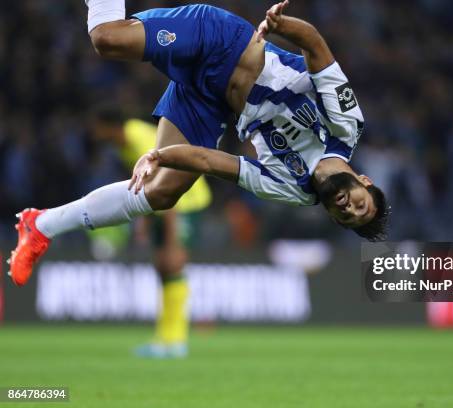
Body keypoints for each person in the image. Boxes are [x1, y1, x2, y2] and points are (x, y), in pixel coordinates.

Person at [8, 1, 389, 287]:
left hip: (209, 103)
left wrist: (157, 156)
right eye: (360, 205)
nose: (349, 208)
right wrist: (280, 24)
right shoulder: (346, 126)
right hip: (222, 41)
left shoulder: (294, 189)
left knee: (162, 192)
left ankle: (40, 225)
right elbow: (316, 47)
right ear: (365, 181)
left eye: (348, 218)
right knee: (107, 39)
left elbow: (210, 161)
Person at [90, 108, 212, 357]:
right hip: (163, 205)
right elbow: (145, 185)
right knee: (162, 266)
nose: (94, 133)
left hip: (184, 201)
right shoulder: (124, 142)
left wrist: (170, 238)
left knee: (173, 263)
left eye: (97, 127)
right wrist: (143, 224)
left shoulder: (139, 139)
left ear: (108, 126)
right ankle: (163, 338)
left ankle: (176, 340)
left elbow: (167, 183)